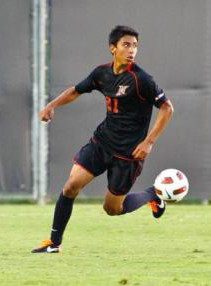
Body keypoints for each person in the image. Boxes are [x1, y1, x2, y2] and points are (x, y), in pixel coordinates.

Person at [32, 25, 174, 253]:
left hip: (128, 154)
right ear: (113, 48)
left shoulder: (142, 79)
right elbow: (76, 90)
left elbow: (167, 108)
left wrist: (149, 141)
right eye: (126, 45)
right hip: (102, 142)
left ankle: (153, 194)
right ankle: (53, 243)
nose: (132, 50)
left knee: (112, 209)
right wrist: (51, 105)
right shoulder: (101, 74)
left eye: (135, 46)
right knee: (70, 187)